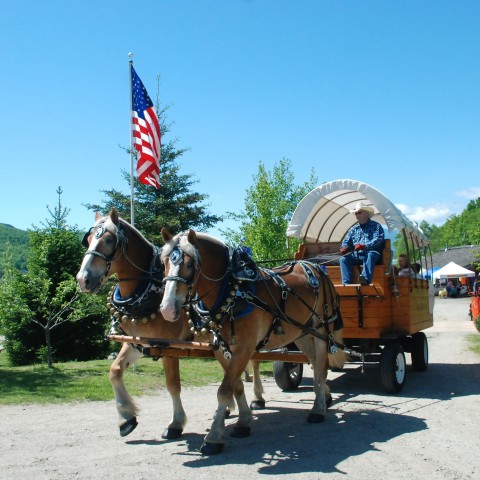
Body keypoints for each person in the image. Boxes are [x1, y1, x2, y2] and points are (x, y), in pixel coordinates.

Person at [339, 201, 385, 285]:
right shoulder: (353, 229)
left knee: (370, 255)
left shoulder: (376, 226)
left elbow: (378, 240)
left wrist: (364, 246)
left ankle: (365, 280)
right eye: (356, 213)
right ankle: (346, 284)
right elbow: (346, 241)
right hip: (357, 256)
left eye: (359, 212)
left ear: (366, 214)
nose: (357, 215)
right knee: (343, 259)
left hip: (372, 254)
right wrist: (344, 247)